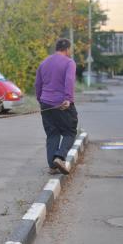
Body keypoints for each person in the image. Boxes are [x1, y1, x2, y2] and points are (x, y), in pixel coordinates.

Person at [35, 38, 78, 175]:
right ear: (67, 49)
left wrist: (40, 100)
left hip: (46, 103)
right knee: (69, 132)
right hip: (62, 104)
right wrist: (68, 99)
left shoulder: (44, 62)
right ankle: (59, 157)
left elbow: (38, 84)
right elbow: (69, 81)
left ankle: (52, 167)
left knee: (52, 134)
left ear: (57, 48)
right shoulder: (69, 62)